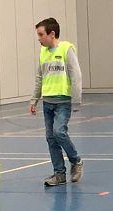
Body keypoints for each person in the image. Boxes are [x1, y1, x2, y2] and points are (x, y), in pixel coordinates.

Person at [30, 18, 83, 186]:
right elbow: (39, 78)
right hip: (47, 102)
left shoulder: (67, 49)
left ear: (52, 34)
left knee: (59, 132)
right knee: (51, 138)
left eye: (41, 34)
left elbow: (76, 75)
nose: (39, 38)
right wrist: (34, 99)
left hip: (63, 102)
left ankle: (76, 161)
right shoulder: (43, 53)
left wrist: (76, 100)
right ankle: (59, 174)